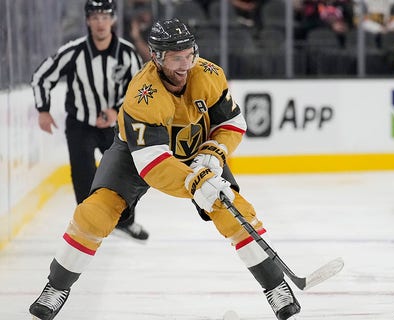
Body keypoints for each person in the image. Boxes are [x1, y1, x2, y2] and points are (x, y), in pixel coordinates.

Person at [28, 18, 302, 320]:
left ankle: (276, 287)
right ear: (157, 58)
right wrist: (196, 183)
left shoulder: (209, 74)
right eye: (176, 57)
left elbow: (231, 122)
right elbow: (153, 165)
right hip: (135, 156)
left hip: (196, 151)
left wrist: (214, 153)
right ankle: (57, 287)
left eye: (189, 54)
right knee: (94, 213)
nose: (185, 64)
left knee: (236, 212)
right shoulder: (142, 94)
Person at [31, 0, 149, 240]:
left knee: (123, 173)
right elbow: (42, 76)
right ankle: (88, 225)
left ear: (113, 19)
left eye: (105, 16)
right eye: (95, 17)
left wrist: (117, 111)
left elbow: (140, 90)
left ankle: (125, 222)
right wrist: (43, 110)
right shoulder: (74, 51)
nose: (100, 22)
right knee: (83, 175)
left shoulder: (127, 53)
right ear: (87, 21)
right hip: (80, 125)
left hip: (116, 126)